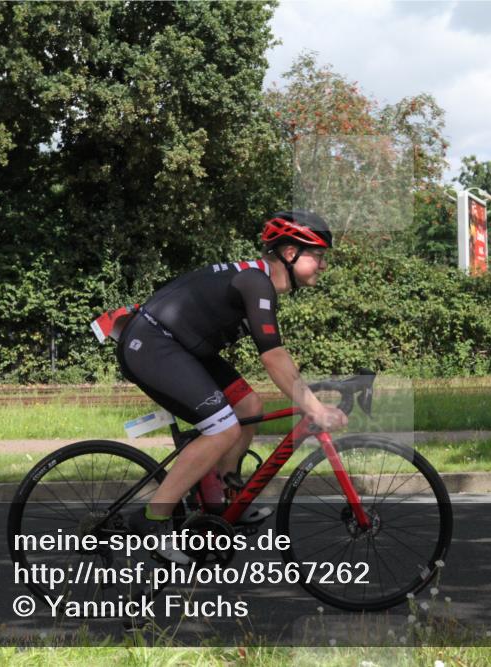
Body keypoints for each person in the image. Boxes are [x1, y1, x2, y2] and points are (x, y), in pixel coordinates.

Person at [115, 210, 349, 564]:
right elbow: (273, 358)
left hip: (182, 346)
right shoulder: (257, 283)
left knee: (248, 408)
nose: (322, 265)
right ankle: (153, 519)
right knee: (222, 429)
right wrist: (314, 407)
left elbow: (274, 358)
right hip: (153, 343)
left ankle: (222, 498)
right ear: (290, 253)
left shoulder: (259, 283)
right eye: (317, 255)